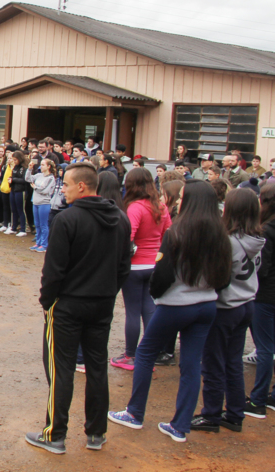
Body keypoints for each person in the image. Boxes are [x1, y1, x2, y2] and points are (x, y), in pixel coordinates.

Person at [109, 180, 231, 443]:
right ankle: (180, 425)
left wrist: (157, 294)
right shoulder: (221, 234)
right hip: (207, 304)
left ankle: (135, 413)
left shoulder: (176, 233)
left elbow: (161, 274)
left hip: (176, 304)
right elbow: (225, 275)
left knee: (144, 353)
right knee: (191, 364)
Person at [24, 163, 131, 455]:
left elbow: (53, 270)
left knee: (61, 369)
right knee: (97, 367)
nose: (64, 190)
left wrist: (48, 303)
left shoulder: (68, 219)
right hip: (102, 304)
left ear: (82, 186)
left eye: (67, 185)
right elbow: (124, 267)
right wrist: (108, 291)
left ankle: (55, 434)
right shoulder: (120, 219)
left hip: (69, 305)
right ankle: (96, 432)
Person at [190, 189, 263, 432]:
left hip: (225, 307)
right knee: (233, 362)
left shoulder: (229, 242)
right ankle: (234, 413)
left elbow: (217, 276)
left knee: (213, 362)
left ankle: (211, 414)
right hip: (246, 304)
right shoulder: (256, 239)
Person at [110, 168, 171, 371]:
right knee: (149, 309)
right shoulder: (161, 206)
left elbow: (128, 236)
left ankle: (131, 354)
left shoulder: (135, 207)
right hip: (154, 264)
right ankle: (151, 352)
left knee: (133, 312)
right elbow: (167, 235)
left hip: (135, 265)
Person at [246, 182, 275, 419]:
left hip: (265, 296)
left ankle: (257, 401)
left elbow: (262, 269)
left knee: (265, 348)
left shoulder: (266, 231)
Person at [28, 158, 56, 252]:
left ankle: (44, 244)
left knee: (44, 225)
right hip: (35, 202)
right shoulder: (39, 175)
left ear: (49, 166)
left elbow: (46, 191)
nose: (41, 166)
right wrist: (29, 169)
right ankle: (38, 242)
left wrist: (35, 187)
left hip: (44, 203)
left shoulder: (51, 178)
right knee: (37, 224)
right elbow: (28, 179)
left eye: (43, 164)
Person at [7, 151, 30, 237]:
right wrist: (11, 180)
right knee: (13, 209)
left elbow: (25, 180)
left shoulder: (24, 168)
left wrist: (13, 180)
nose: (14, 161)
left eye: (15, 160)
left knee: (21, 209)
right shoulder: (15, 167)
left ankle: (23, 228)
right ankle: (14, 227)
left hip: (21, 190)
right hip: (14, 189)